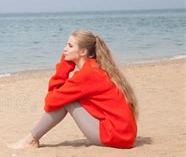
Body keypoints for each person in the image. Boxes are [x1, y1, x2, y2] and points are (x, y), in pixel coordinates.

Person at [9, 30, 138, 149]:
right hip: (125, 134)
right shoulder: (95, 68)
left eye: (70, 46)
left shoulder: (87, 74)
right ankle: (31, 139)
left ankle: (30, 140)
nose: (64, 50)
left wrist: (64, 66)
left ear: (83, 52)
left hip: (116, 136)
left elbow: (51, 102)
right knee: (68, 98)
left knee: (66, 101)